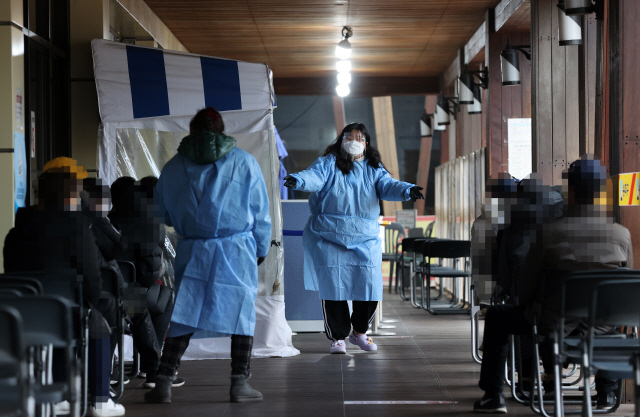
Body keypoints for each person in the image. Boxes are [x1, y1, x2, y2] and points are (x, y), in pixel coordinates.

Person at [474, 155, 633, 414]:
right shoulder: (621, 234)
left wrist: (528, 306)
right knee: (608, 323)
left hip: (553, 322)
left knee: (496, 317)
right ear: (603, 193)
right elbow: (625, 286)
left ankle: (493, 396)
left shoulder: (548, 233)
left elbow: (527, 283)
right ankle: (606, 393)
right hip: (602, 326)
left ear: (570, 192)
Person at [145, 107, 271, 404]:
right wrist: (261, 249)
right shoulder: (244, 162)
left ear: (191, 131)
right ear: (222, 130)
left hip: (193, 249)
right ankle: (239, 383)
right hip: (236, 249)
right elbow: (261, 213)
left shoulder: (174, 167)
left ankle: (164, 380)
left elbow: (161, 213)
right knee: (242, 315)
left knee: (185, 314)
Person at [283, 122, 424, 354]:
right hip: (329, 236)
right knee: (333, 288)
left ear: (366, 143)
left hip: (365, 238)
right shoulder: (328, 163)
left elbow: (388, 185)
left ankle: (359, 332)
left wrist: (407, 190)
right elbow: (314, 177)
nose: (353, 140)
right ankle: (338, 337)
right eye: (349, 136)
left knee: (369, 286)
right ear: (342, 140)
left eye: (359, 137)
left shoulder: (373, 168)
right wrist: (298, 180)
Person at [3, 157, 125, 417]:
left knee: (56, 325)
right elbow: (93, 278)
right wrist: (90, 303)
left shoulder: (16, 230)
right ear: (72, 196)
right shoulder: (77, 227)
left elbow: (13, 272)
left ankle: (55, 394)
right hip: (66, 311)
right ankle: (100, 399)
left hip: (20, 317)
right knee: (97, 324)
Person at [108, 176, 175, 389]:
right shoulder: (150, 224)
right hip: (128, 295)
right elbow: (148, 274)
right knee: (164, 299)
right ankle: (153, 369)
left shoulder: (105, 221)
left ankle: (110, 368)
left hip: (100, 291)